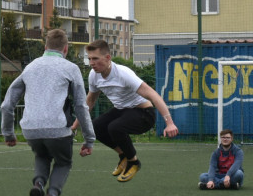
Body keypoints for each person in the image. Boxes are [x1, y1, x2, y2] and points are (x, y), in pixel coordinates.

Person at [0, 28, 94, 196]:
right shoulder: (70, 68)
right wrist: (89, 139)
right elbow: (81, 106)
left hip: (31, 129)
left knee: (41, 155)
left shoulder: (30, 67)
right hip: (58, 128)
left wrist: (8, 133)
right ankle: (52, 195)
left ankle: (38, 185)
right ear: (66, 49)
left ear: (45, 47)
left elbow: (7, 104)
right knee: (63, 162)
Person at [74, 39, 178, 182]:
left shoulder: (123, 73)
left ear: (107, 58)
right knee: (96, 127)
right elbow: (90, 101)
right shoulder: (93, 75)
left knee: (114, 127)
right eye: (90, 58)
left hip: (144, 114)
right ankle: (123, 155)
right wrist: (75, 125)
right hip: (122, 111)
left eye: (95, 59)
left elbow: (153, 95)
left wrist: (169, 123)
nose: (92, 63)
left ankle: (133, 162)